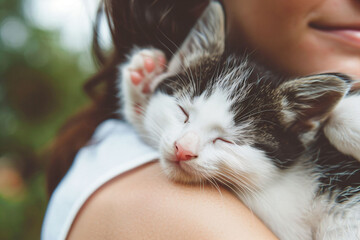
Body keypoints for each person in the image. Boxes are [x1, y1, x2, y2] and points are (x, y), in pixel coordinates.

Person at [41, 0, 360, 239]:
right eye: (180, 113)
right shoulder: (159, 207)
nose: (182, 148)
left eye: (227, 140)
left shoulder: (110, 153)